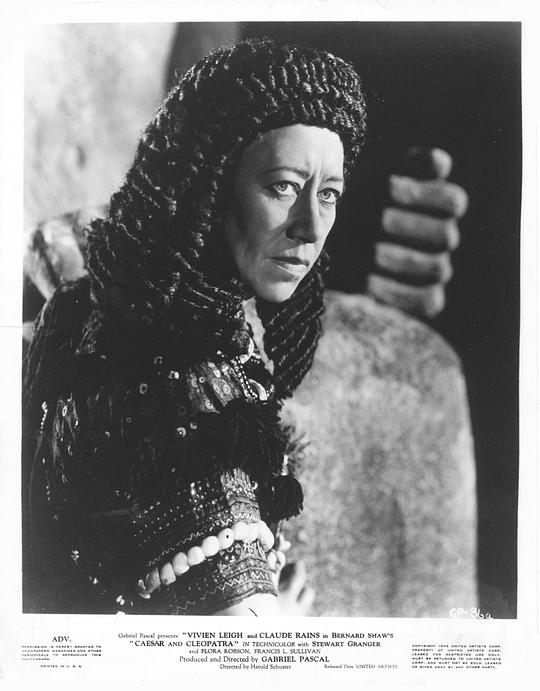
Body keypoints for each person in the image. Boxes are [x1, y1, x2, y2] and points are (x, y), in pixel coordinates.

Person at [22, 37, 367, 616]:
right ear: (208, 186)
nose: (310, 226)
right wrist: (282, 623)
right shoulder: (199, 400)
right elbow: (239, 652)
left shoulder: (91, 306)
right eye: (283, 186)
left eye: (329, 195)